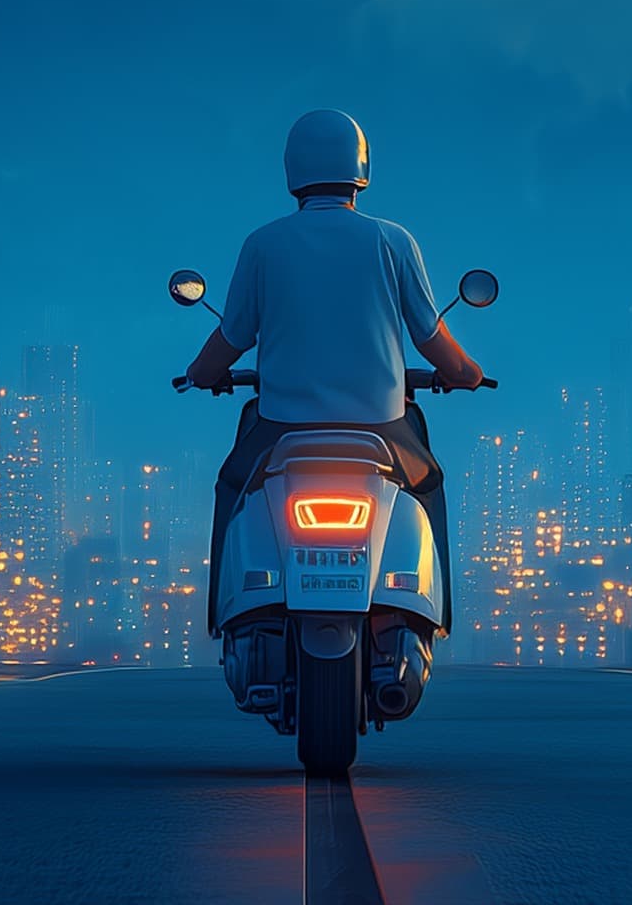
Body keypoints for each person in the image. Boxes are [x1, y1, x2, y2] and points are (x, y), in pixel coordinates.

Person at [182, 107, 487, 629]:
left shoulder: (263, 244)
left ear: (292, 170)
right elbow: (429, 335)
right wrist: (466, 372)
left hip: (280, 429)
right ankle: (434, 617)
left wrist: (200, 372)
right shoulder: (393, 241)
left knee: (232, 484)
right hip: (384, 429)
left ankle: (224, 618)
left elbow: (232, 337)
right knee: (428, 483)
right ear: (360, 167)